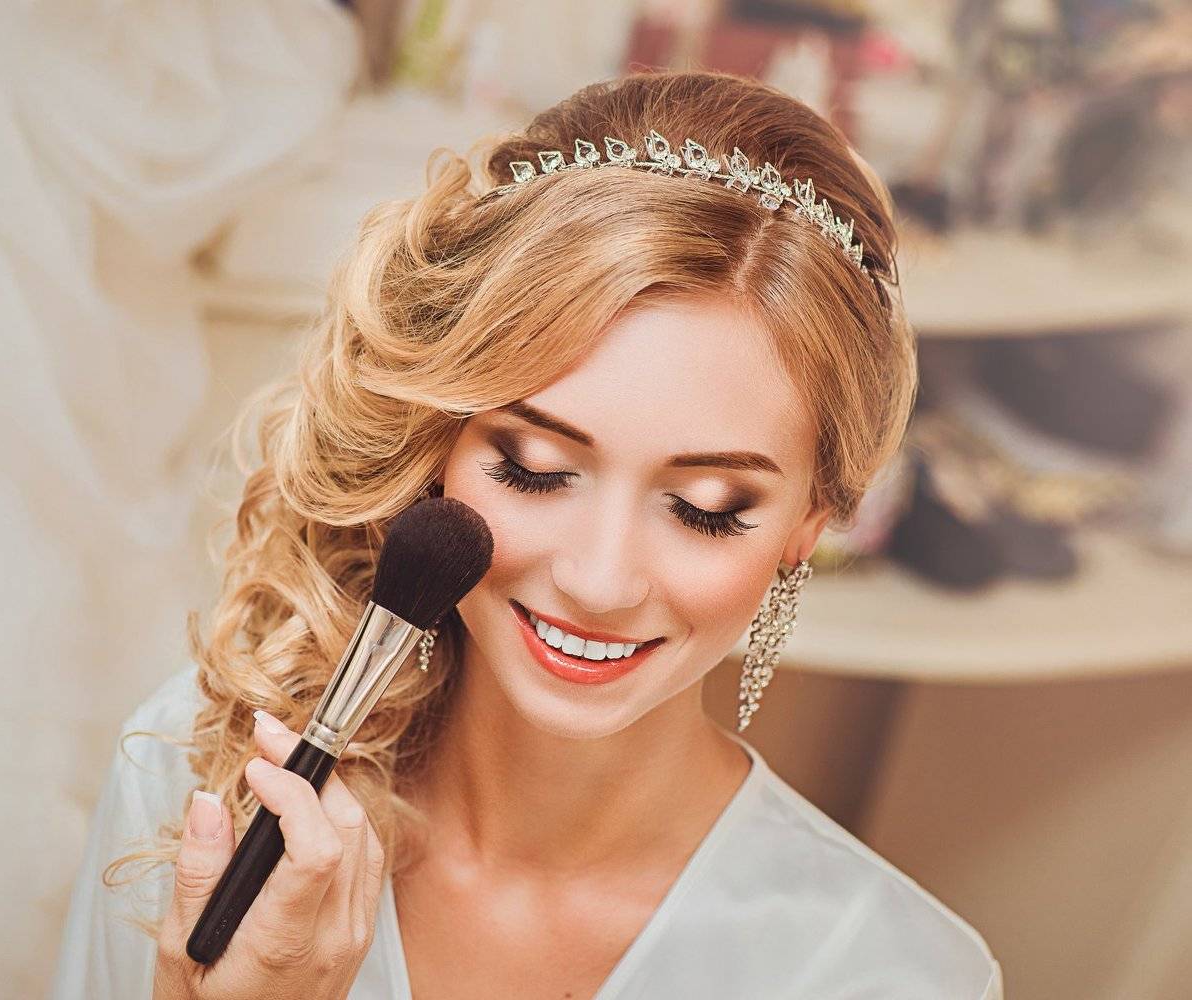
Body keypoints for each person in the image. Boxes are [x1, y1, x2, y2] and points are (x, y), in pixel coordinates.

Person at [51, 70, 1005, 999]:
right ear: (438, 444)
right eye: (534, 469)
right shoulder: (198, 780)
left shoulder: (892, 973)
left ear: (807, 526)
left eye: (707, 506)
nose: (599, 579)